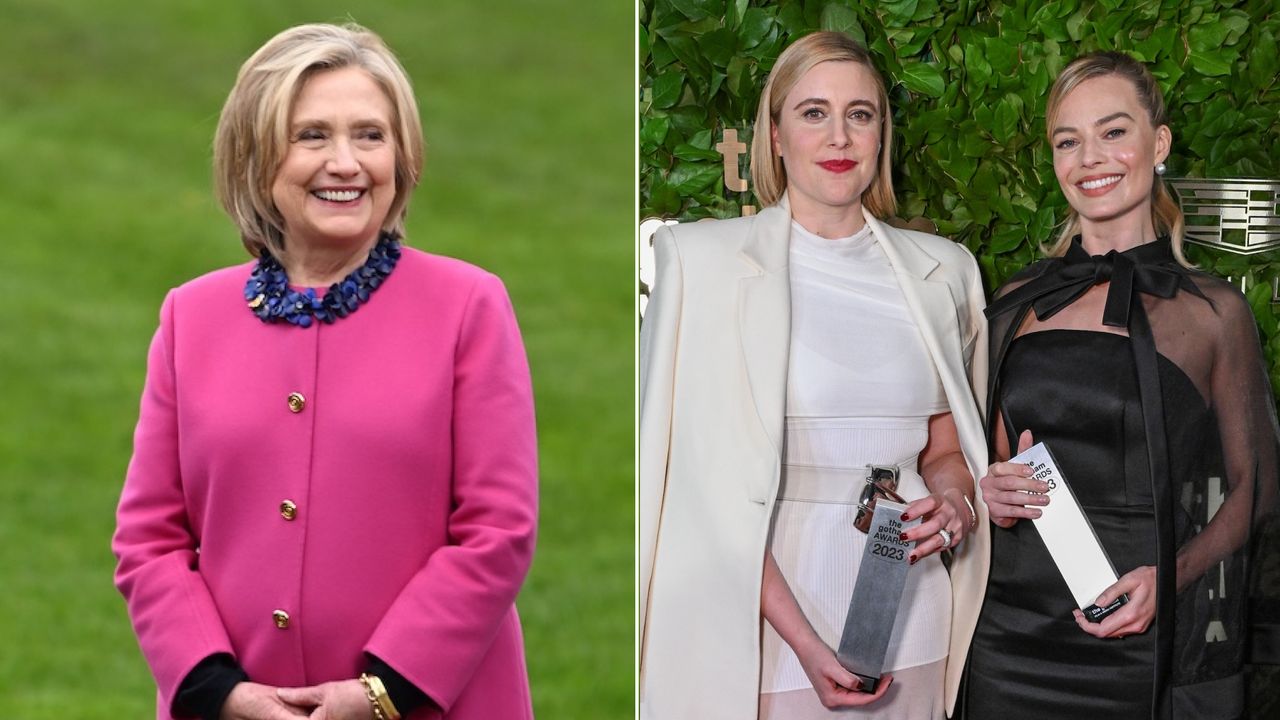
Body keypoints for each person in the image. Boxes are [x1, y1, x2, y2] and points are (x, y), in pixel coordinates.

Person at [112, 23, 538, 720]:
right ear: (255, 159)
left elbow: (498, 530)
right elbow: (149, 536)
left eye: (370, 136)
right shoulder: (191, 317)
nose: (346, 162)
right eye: (312, 136)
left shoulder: (467, 306)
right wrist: (219, 692)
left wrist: (382, 693)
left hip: (433, 706)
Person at [639, 31, 990, 720]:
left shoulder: (944, 271)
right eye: (813, 112)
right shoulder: (699, 262)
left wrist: (954, 506)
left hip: (913, 619)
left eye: (860, 114)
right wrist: (800, 639)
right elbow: (697, 490)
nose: (839, 135)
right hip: (761, 629)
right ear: (774, 133)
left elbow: (948, 451)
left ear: (882, 134)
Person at [965, 51, 1278, 719]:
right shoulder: (1014, 299)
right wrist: (986, 488)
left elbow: (1256, 488)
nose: (1090, 158)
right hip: (1006, 632)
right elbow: (986, 457)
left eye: (1113, 132)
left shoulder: (1213, 314)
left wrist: (1172, 578)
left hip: (1141, 637)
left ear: (1157, 143)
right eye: (1067, 141)